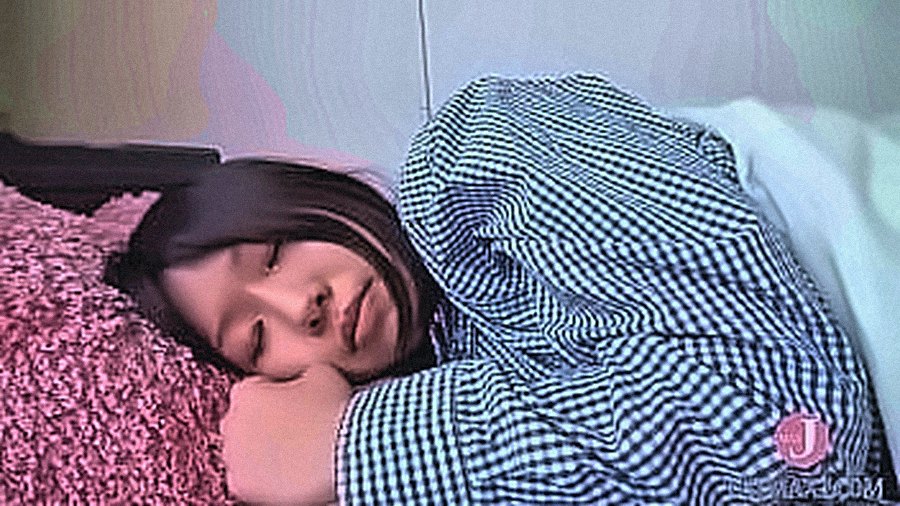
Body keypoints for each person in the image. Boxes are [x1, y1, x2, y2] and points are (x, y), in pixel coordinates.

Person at [106, 73, 894, 504]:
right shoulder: (460, 406)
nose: (297, 308)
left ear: (310, 193)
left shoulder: (468, 159)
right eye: (256, 338)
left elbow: (787, 420)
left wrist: (346, 449)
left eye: (275, 252)